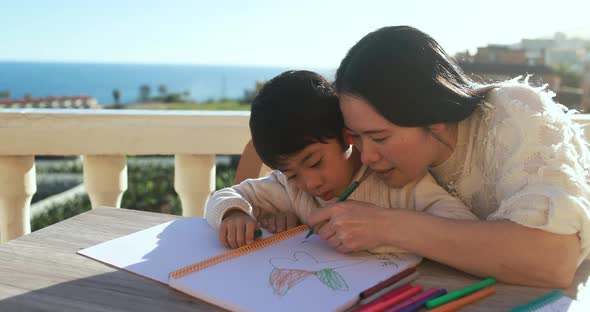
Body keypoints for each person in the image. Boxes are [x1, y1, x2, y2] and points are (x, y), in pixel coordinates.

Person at [307, 25, 590, 288]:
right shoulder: (387, 161)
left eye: (380, 137)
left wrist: (386, 226)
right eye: (354, 137)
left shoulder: (512, 112)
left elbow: (552, 257)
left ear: (434, 115)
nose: (366, 156)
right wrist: (268, 210)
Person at [205, 70, 478, 250]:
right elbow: (224, 196)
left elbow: (462, 226)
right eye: (291, 173)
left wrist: (388, 229)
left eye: (314, 163)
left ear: (346, 136)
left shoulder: (396, 180)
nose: (309, 183)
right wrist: (235, 213)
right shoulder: (289, 190)